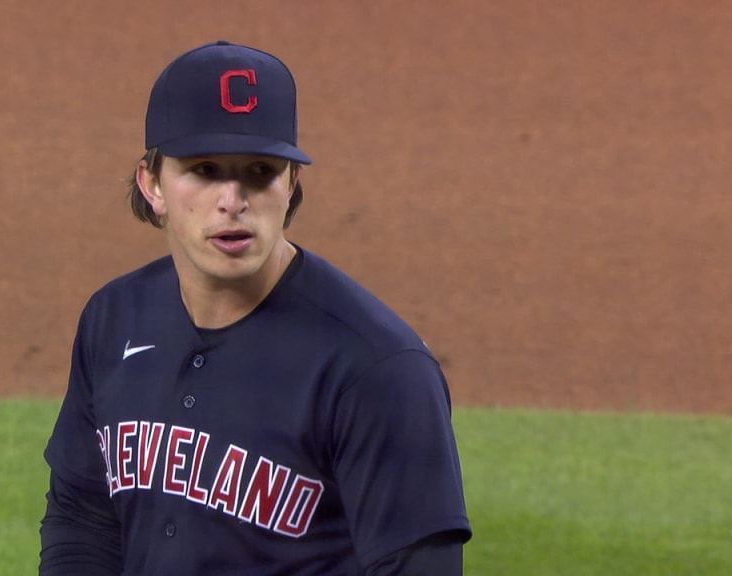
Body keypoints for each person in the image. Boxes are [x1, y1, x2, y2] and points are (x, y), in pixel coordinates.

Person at [38, 40, 472, 575]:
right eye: (204, 169)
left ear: (292, 185)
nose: (232, 199)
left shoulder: (378, 369)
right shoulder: (114, 318)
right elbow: (82, 519)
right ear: (151, 183)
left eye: (260, 171)